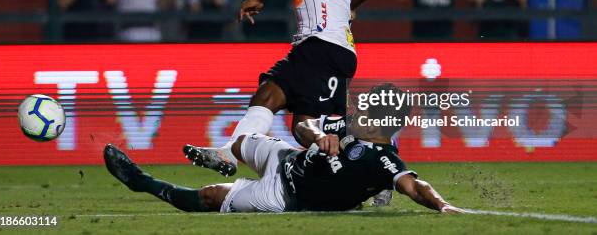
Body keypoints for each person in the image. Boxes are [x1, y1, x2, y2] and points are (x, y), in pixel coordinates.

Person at [185, 0, 381, 177]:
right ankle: (230, 152)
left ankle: (373, 161)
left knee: (301, 119)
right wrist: (349, 7)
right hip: (329, 50)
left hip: (321, 46)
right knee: (283, 108)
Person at [104, 114, 464, 213]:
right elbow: (305, 124)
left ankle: (140, 181)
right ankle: (225, 157)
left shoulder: (384, 159)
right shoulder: (348, 127)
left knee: (210, 197)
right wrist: (318, 135)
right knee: (243, 142)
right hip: (287, 157)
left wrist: (443, 205)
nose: (365, 117)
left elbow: (414, 186)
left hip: (286, 194)